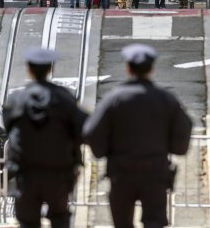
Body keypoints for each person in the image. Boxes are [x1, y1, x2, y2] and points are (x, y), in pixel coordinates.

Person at [83, 44, 193, 228]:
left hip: (121, 172)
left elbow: (91, 131)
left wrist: (103, 151)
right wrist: (172, 148)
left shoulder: (114, 99)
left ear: (128, 68)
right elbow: (184, 128)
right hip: (155, 172)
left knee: (122, 222)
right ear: (152, 69)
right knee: (155, 221)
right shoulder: (165, 99)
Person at [3, 47, 88, 228]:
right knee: (59, 217)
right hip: (59, 172)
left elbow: (8, 126)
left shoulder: (16, 99)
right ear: (51, 68)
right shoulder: (64, 99)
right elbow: (83, 128)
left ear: (28, 69)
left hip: (26, 172)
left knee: (27, 221)